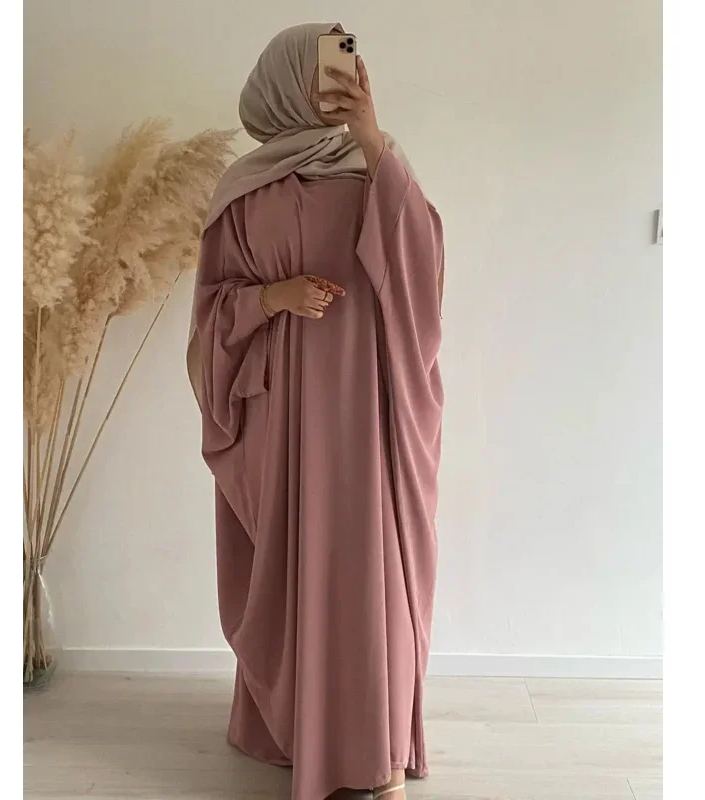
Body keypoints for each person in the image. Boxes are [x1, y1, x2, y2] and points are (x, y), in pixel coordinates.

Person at [187, 22, 444, 800]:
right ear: (286, 80)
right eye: (326, 68)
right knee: (295, 558)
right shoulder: (245, 187)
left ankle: (377, 747)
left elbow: (422, 271)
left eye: (351, 65)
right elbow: (213, 309)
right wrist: (275, 296)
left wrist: (372, 138)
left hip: (367, 407)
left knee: (369, 560)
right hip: (283, 411)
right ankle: (292, 727)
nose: (343, 80)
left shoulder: (377, 171)